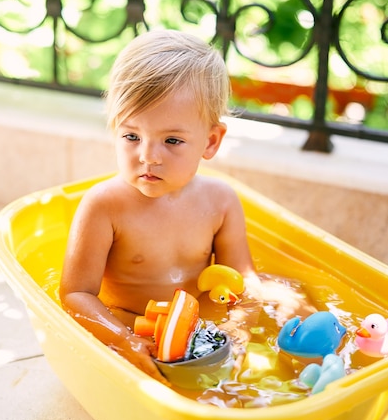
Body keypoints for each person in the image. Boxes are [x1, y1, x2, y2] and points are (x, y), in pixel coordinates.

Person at [59, 29, 261, 384]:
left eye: (172, 140)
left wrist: (237, 328)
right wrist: (123, 340)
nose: (148, 156)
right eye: (132, 136)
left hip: (197, 330)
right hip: (126, 326)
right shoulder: (103, 206)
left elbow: (242, 280)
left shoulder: (220, 202)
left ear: (210, 141)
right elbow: (76, 294)